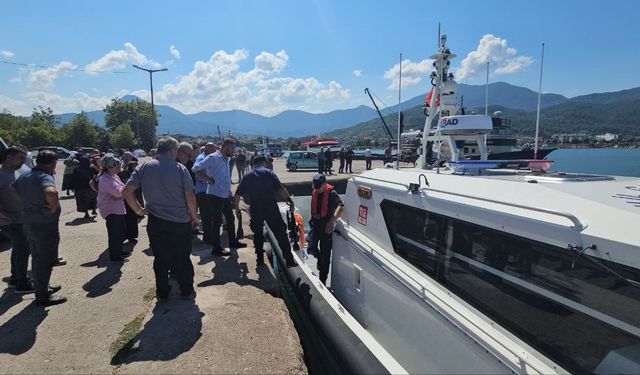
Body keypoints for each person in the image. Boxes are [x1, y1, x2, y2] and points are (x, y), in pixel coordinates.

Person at [124, 137, 199, 300]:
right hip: (180, 221)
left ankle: (163, 291)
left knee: (160, 257)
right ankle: (186, 289)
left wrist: (139, 211)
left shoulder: (144, 167)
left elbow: (127, 191)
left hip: (156, 221)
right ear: (173, 150)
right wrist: (194, 217)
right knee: (182, 257)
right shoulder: (180, 168)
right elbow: (190, 197)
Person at [12, 150, 66, 306]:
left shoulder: (26, 175)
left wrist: (27, 201)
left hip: (29, 222)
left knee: (36, 256)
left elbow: (13, 189)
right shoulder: (44, 175)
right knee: (45, 259)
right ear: (52, 163)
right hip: (44, 225)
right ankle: (43, 295)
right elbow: (51, 192)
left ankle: (41, 286)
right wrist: (53, 207)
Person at [233, 155, 297, 267]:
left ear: (253, 164)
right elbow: (281, 189)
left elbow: (237, 194)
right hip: (270, 207)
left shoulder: (248, 175)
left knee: (257, 233)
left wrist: (237, 208)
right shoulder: (269, 173)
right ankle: (289, 260)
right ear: (264, 162)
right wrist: (289, 200)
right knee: (280, 233)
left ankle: (260, 260)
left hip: (256, 208)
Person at [193, 138, 247, 256]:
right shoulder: (213, 158)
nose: (233, 151)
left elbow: (224, 176)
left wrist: (229, 192)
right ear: (226, 146)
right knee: (217, 221)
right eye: (232, 148)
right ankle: (216, 248)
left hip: (224, 194)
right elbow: (195, 168)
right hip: (214, 194)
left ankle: (232, 242)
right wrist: (207, 179)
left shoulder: (225, 159)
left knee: (230, 219)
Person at [0, 146, 33, 293]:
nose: (23, 162)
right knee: (24, 247)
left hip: (19, 218)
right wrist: (4, 215)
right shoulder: (1, 175)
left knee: (18, 247)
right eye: (20, 158)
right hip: (9, 220)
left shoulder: (15, 173)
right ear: (8, 157)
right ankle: (22, 283)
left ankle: (15, 278)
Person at [307, 174, 343, 285]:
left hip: (326, 226)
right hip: (315, 224)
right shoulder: (315, 190)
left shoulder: (331, 193)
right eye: (315, 187)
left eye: (319, 187)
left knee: (325, 254)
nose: (317, 189)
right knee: (311, 247)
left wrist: (332, 220)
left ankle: (322, 279)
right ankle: (319, 259)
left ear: (324, 184)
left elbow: (340, 206)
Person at [97, 154, 128, 262]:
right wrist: (124, 190)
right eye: (117, 167)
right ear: (109, 167)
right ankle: (115, 256)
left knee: (120, 232)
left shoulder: (113, 176)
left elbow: (122, 187)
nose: (119, 168)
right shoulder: (105, 179)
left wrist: (123, 190)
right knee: (115, 233)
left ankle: (119, 250)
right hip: (111, 210)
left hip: (118, 208)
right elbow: (119, 193)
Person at [194, 143, 217, 244]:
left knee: (209, 215)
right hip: (203, 191)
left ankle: (209, 236)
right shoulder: (201, 158)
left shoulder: (207, 157)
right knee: (207, 216)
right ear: (209, 149)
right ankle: (208, 238)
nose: (216, 152)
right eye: (214, 150)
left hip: (206, 191)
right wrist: (208, 179)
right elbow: (197, 171)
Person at [118, 161, 141, 243]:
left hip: (133, 196)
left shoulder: (137, 173)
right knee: (125, 219)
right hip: (124, 199)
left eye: (135, 165)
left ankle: (132, 236)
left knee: (132, 219)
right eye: (133, 166)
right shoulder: (122, 174)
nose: (134, 167)